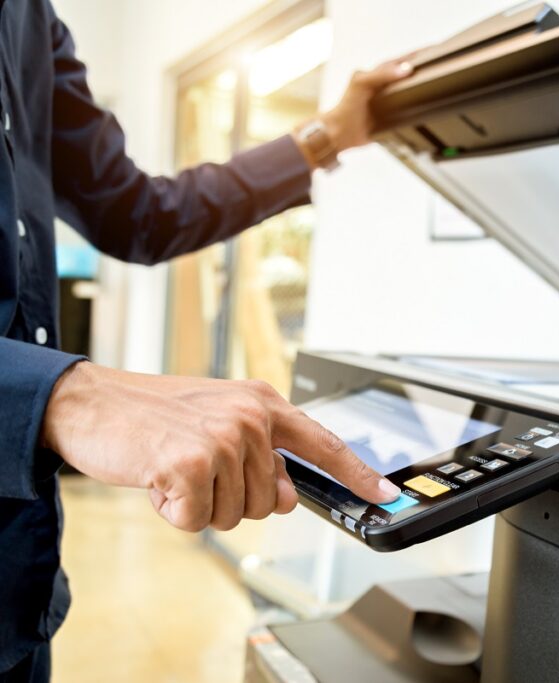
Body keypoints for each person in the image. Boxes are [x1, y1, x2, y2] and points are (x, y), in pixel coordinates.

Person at [0, 2, 411, 680]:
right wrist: (60, 396)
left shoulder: (32, 19)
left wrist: (323, 135)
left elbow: (138, 212)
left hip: (18, 580)